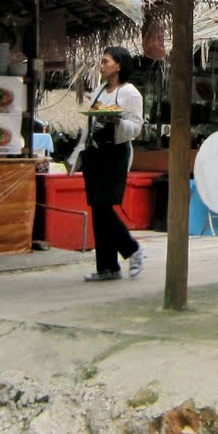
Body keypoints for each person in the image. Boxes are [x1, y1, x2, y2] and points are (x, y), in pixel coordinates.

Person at [76, 46, 145, 282]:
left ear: (119, 65)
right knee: (97, 208)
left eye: (106, 61)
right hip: (95, 152)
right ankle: (107, 267)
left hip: (115, 153)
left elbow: (135, 128)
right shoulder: (99, 91)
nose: (101, 65)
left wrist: (116, 123)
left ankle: (132, 249)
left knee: (104, 206)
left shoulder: (130, 94)